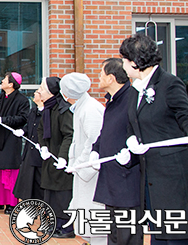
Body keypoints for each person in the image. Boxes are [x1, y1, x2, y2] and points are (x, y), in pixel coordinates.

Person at [119, 33, 188, 244]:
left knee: (174, 240)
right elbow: (136, 127)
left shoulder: (170, 85)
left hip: (173, 182)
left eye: (124, 60)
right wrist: (130, 146)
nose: (122, 64)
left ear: (135, 62)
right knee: (158, 238)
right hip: (149, 182)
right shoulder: (134, 90)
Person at [92, 58, 142, 245]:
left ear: (111, 78)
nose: (99, 77)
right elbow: (105, 132)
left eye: (101, 73)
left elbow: (141, 135)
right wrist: (95, 150)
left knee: (126, 233)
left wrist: (131, 153)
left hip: (127, 180)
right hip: (111, 177)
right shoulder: (112, 101)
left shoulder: (132, 99)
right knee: (113, 233)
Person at [60, 72, 106, 245]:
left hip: (90, 173)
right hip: (83, 171)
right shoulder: (81, 107)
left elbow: (93, 142)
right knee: (84, 211)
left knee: (93, 212)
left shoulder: (90, 109)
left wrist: (80, 165)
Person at [0, 72, 29, 215]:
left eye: (5, 79)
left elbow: (22, 118)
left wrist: (4, 120)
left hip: (10, 140)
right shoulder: (1, 97)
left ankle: (11, 203)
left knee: (9, 173)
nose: (2, 81)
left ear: (11, 84)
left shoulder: (22, 100)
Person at [36, 76, 74, 238]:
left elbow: (69, 134)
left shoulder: (62, 109)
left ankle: (66, 227)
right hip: (49, 156)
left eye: (43, 88)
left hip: (60, 157)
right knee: (50, 192)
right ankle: (53, 223)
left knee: (62, 194)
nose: (40, 91)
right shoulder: (47, 109)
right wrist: (43, 146)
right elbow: (40, 130)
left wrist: (63, 156)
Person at [13, 89, 44, 201]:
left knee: (38, 184)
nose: (34, 93)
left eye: (37, 92)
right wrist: (22, 131)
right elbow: (29, 126)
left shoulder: (47, 113)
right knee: (27, 185)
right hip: (29, 153)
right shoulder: (33, 111)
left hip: (40, 155)